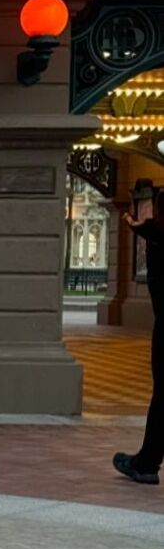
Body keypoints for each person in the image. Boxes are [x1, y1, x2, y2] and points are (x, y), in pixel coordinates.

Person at [114, 190, 164, 485]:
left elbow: (144, 227)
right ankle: (147, 461)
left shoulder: (156, 236)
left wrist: (134, 221)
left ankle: (147, 463)